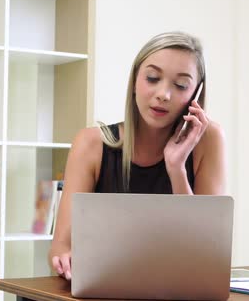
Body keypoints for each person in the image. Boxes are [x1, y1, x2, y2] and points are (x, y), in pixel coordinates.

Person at [48, 31, 227, 280]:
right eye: (152, 78)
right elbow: (60, 247)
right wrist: (66, 262)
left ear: (195, 95)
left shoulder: (209, 140)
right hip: (104, 289)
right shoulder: (91, 143)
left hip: (181, 291)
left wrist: (177, 169)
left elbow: (207, 253)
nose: (164, 94)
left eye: (181, 85)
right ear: (134, 81)